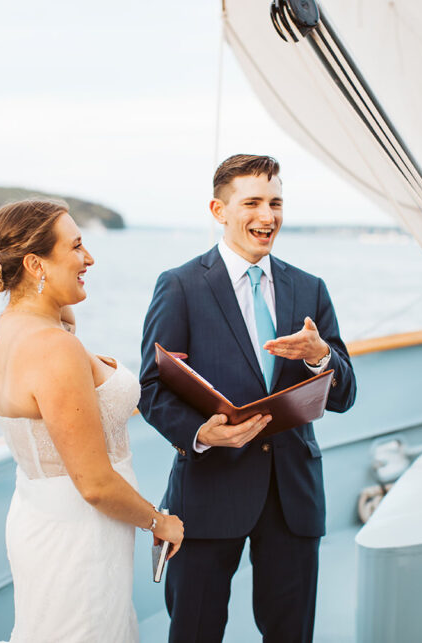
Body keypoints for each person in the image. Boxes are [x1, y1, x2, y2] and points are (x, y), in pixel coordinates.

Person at [139, 154, 357, 642]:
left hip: (292, 495)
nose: (268, 216)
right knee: (195, 631)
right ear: (219, 210)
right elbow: (152, 388)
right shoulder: (180, 286)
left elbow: (345, 394)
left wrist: (322, 356)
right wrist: (198, 432)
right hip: (209, 489)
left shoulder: (309, 288)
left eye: (276, 202)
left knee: (291, 634)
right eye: (253, 202)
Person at [0, 200, 184, 643]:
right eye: (76, 246)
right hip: (80, 537)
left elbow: (63, 318)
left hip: (38, 516)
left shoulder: (2, 332)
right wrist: (159, 521)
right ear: (35, 263)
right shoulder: (54, 349)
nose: (89, 258)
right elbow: (94, 483)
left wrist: (56, 287)